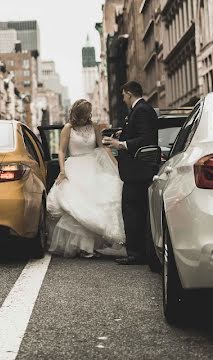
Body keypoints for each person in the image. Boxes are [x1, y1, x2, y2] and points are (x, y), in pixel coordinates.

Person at [46, 99, 125, 258]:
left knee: (96, 203)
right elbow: (61, 151)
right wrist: (62, 171)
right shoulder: (68, 128)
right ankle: (82, 247)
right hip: (74, 167)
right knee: (76, 205)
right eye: (86, 112)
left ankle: (90, 246)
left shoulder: (94, 126)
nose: (89, 115)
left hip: (92, 167)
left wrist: (115, 164)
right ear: (79, 113)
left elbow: (101, 147)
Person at [103, 81, 158, 265]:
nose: (123, 100)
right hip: (137, 172)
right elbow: (139, 133)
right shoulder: (141, 109)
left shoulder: (141, 110)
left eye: (123, 96)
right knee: (138, 211)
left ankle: (136, 254)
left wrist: (121, 144)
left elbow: (146, 138)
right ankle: (139, 251)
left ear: (128, 93)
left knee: (133, 212)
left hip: (137, 172)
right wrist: (123, 133)